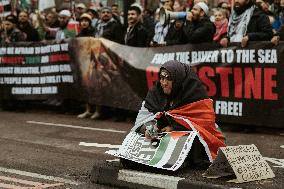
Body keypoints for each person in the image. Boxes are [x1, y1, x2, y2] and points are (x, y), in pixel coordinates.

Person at [132, 60, 226, 168]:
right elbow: (142, 119)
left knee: (195, 139)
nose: (164, 83)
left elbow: (203, 126)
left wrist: (173, 128)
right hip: (163, 136)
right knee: (136, 140)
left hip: (189, 137)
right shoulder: (156, 92)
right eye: (162, 78)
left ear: (178, 80)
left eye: (169, 79)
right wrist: (150, 128)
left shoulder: (195, 94)